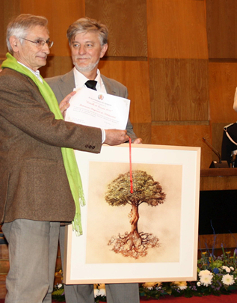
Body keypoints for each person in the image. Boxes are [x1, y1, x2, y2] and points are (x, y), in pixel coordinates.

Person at [0, 14, 129, 303]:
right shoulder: (9, 81)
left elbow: (40, 127)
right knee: (29, 288)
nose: (47, 48)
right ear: (14, 43)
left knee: (42, 289)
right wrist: (102, 135)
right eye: (38, 41)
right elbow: (48, 129)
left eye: (47, 41)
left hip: (46, 199)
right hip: (31, 197)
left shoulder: (30, 81)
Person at [45, 17, 141, 303]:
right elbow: (41, 134)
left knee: (121, 263)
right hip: (71, 190)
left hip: (112, 190)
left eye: (89, 45)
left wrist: (134, 141)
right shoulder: (50, 87)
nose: (81, 51)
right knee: (77, 274)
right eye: (75, 45)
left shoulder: (118, 89)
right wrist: (56, 119)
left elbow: (127, 131)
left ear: (104, 49)